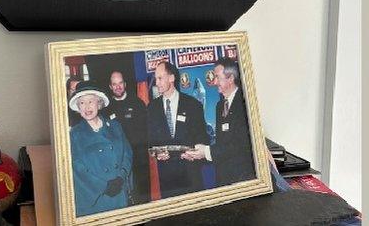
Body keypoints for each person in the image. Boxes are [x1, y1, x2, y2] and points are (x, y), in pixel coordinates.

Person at [181, 58, 256, 186]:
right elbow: (222, 145)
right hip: (223, 178)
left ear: (231, 78)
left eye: (217, 77)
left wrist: (206, 152)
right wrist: (198, 154)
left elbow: (241, 145)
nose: (214, 81)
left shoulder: (246, 103)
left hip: (243, 179)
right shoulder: (219, 106)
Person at [68, 80, 133, 217]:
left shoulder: (115, 126)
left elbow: (127, 154)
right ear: (78, 109)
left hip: (119, 194)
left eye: (91, 101)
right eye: (82, 103)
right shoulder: (74, 134)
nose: (87, 107)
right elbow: (77, 169)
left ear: (99, 103)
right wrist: (103, 186)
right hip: (95, 200)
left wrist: (121, 177)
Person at [146, 62, 209, 199]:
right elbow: (151, 141)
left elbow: (203, 138)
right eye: (156, 79)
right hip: (167, 178)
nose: (157, 82)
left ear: (172, 78)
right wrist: (157, 154)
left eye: (160, 78)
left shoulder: (193, 105)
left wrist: (194, 152)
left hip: (191, 174)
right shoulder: (151, 108)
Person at [104, 70, 149, 204]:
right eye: (114, 84)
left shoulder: (138, 103)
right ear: (110, 87)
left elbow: (146, 132)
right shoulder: (106, 109)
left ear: (125, 84)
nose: (118, 87)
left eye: (120, 83)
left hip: (138, 160)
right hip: (118, 161)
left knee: (141, 196)